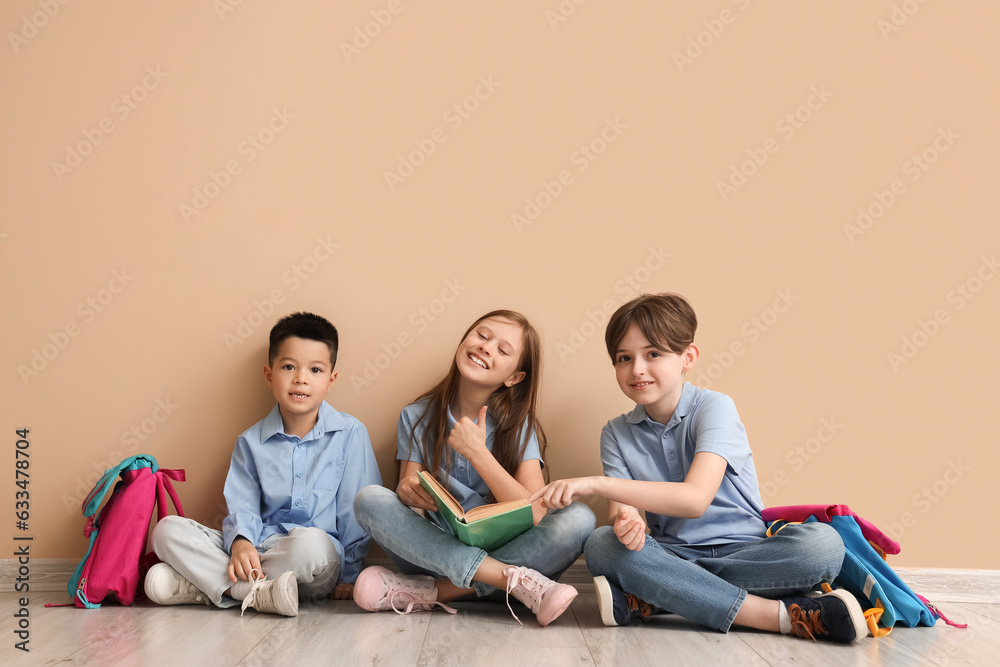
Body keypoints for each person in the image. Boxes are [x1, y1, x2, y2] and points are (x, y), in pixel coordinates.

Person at [529, 293, 868, 642]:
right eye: (624, 358)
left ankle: (660, 596)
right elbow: (621, 515)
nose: (637, 369)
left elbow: (694, 499)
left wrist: (598, 485)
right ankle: (778, 615)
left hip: (748, 552)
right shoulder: (615, 432)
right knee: (602, 545)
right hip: (672, 554)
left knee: (823, 546)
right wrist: (627, 523)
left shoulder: (715, 407)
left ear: (687, 357)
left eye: (653, 354)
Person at [352, 310, 595, 626]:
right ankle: (510, 580)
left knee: (580, 518)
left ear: (514, 378)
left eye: (503, 350)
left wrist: (478, 453)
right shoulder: (416, 415)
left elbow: (536, 512)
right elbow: (408, 491)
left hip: (516, 554)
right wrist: (406, 491)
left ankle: (438, 593)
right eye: (482, 335)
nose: (486, 347)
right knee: (369, 499)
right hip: (439, 557)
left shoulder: (520, 426)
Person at [145, 312, 382, 616]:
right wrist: (241, 542)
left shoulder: (350, 434)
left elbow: (356, 511)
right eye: (288, 367)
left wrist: (350, 575)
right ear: (269, 375)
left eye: (316, 370)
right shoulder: (250, 442)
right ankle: (254, 591)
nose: (301, 378)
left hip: (312, 560)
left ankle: (214, 587)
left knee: (311, 546)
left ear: (331, 380)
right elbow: (242, 506)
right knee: (166, 531)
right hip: (259, 549)